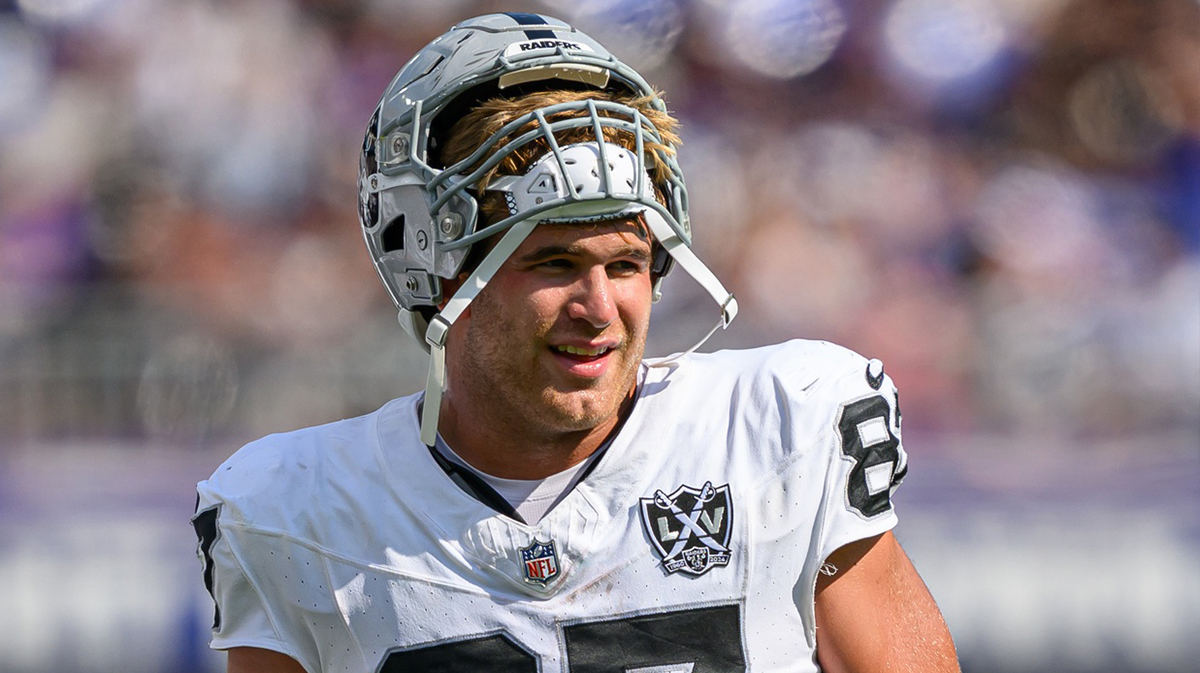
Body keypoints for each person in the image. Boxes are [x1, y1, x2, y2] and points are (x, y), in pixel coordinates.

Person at [193, 12, 960, 673]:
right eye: (553, 263)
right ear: (436, 271)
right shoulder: (297, 511)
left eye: (625, 263)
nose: (600, 308)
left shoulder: (777, 427)